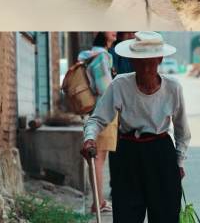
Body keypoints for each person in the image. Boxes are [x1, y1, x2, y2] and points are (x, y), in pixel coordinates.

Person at [81, 31, 191, 222]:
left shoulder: (173, 88)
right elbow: (97, 119)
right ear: (132, 61)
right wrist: (89, 138)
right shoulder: (120, 85)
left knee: (166, 215)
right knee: (126, 215)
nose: (145, 67)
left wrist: (179, 162)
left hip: (161, 154)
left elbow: (182, 130)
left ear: (160, 59)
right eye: (140, 61)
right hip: (127, 155)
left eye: (150, 61)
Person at [78, 31, 118, 215]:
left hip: (94, 112)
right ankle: (99, 203)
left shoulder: (89, 55)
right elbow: (105, 89)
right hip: (104, 114)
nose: (115, 32)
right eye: (111, 29)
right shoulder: (101, 57)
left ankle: (98, 201)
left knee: (95, 160)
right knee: (99, 160)